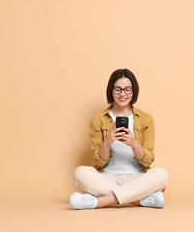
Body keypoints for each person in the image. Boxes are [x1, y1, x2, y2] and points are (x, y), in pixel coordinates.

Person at [69, 68, 169, 210]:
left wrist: (134, 143)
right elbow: (98, 160)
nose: (123, 94)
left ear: (134, 91)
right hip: (108, 178)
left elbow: (148, 159)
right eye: (118, 89)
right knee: (79, 172)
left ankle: (99, 202)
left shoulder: (146, 119)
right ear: (111, 91)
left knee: (162, 174)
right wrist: (108, 141)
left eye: (127, 89)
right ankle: (140, 200)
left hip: (137, 178)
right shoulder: (98, 120)